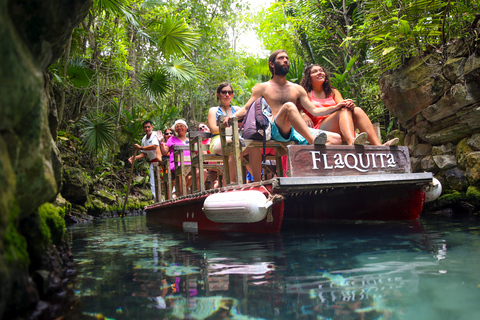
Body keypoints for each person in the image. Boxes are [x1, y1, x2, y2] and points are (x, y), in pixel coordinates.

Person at [221, 50, 342, 181]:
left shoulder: (297, 89)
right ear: (272, 64)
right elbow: (246, 108)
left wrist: (336, 107)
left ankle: (319, 175)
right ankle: (313, 142)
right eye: (281, 58)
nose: (285, 60)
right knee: (289, 106)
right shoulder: (262, 87)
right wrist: (232, 117)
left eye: (287, 58)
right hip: (273, 129)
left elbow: (315, 110)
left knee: (336, 138)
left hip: (295, 131)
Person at [299, 64, 399, 146]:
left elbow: (342, 105)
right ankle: (351, 141)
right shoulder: (305, 93)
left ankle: (379, 146)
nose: (320, 72)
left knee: (357, 110)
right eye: (315, 71)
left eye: (321, 70)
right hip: (321, 129)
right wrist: (303, 114)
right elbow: (294, 110)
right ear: (309, 77)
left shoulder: (332, 92)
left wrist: (349, 104)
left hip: (342, 127)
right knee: (342, 110)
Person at [207, 82, 243, 183]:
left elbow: (243, 126)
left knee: (245, 147)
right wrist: (233, 129)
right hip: (218, 141)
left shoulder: (237, 110)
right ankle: (232, 182)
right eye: (224, 92)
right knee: (233, 144)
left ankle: (255, 180)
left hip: (236, 140)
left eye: (229, 92)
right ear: (218, 94)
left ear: (233, 94)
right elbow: (214, 129)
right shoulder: (213, 110)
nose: (227, 94)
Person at [128, 120, 160, 200]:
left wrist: (140, 148)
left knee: (162, 181)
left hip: (161, 161)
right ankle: (157, 200)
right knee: (153, 183)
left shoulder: (155, 134)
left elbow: (154, 146)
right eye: (145, 127)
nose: (147, 129)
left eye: (149, 127)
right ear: (143, 129)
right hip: (152, 162)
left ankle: (168, 199)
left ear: (152, 127)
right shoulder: (144, 139)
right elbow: (145, 153)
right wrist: (135, 157)